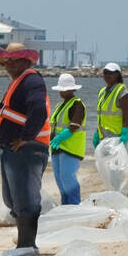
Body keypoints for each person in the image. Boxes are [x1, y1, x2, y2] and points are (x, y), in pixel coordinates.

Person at [0, 42, 51, 256]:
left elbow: (38, 110)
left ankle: (27, 246)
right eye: (6, 61)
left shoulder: (31, 80)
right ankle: (23, 245)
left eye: (13, 60)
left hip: (28, 149)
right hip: (14, 150)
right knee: (13, 198)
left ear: (26, 61)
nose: (8, 65)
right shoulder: (18, 82)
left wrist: (26, 137)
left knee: (25, 196)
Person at [49, 72, 86, 205]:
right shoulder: (61, 105)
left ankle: (74, 204)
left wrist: (60, 137)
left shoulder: (77, 104)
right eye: (61, 90)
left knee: (68, 178)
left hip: (70, 148)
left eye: (65, 90)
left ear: (73, 89)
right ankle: (65, 205)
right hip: (57, 148)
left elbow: (75, 125)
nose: (62, 93)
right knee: (60, 179)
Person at [94, 63, 128, 147]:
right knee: (104, 159)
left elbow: (126, 114)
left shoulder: (122, 91)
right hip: (104, 135)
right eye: (105, 73)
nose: (107, 75)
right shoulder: (102, 92)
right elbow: (101, 116)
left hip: (117, 135)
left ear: (117, 74)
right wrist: (97, 132)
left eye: (110, 73)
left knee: (114, 159)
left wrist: (124, 132)